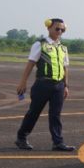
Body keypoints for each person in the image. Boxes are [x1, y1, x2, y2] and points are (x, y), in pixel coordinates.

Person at [15, 18, 74, 152]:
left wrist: (66, 86)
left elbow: (65, 68)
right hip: (43, 84)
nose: (60, 32)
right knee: (34, 113)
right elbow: (30, 63)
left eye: (62, 29)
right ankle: (21, 137)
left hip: (58, 86)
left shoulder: (63, 48)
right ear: (49, 28)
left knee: (55, 115)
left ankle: (58, 142)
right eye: (57, 28)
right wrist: (23, 82)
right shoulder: (40, 45)